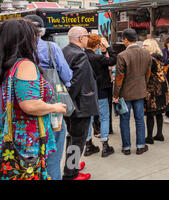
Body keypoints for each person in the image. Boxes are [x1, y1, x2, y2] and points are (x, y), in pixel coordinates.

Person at [0, 19, 67, 180]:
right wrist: (55, 107)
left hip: (12, 136)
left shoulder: (7, 65)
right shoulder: (24, 65)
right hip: (27, 142)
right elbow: (29, 104)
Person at [23, 15, 73, 180]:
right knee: (53, 156)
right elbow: (66, 74)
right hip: (51, 109)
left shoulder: (15, 51)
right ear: (41, 31)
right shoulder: (51, 47)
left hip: (23, 117)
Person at [62, 27, 99, 180]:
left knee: (72, 137)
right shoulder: (79, 55)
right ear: (80, 38)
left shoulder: (64, 51)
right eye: (86, 36)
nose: (88, 38)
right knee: (78, 140)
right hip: (80, 105)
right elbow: (75, 83)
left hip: (71, 105)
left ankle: (73, 164)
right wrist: (68, 103)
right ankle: (71, 173)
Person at [113, 28, 153, 155]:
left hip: (125, 93)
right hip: (140, 91)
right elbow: (148, 73)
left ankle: (126, 147)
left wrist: (115, 95)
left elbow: (119, 78)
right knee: (140, 119)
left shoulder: (122, 55)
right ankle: (141, 146)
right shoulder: (146, 53)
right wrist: (144, 86)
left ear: (125, 40)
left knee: (124, 120)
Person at [85, 34, 117, 158]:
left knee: (90, 118)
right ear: (97, 45)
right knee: (104, 117)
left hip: (87, 92)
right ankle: (105, 145)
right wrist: (108, 48)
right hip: (101, 91)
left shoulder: (82, 56)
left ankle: (88, 144)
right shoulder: (97, 58)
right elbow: (113, 60)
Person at [142, 39, 169, 144]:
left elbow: (146, 74)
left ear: (151, 46)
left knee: (150, 113)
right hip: (162, 86)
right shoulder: (159, 57)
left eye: (145, 45)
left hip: (153, 87)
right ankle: (159, 134)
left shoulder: (150, 59)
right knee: (159, 111)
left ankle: (149, 137)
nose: (143, 47)